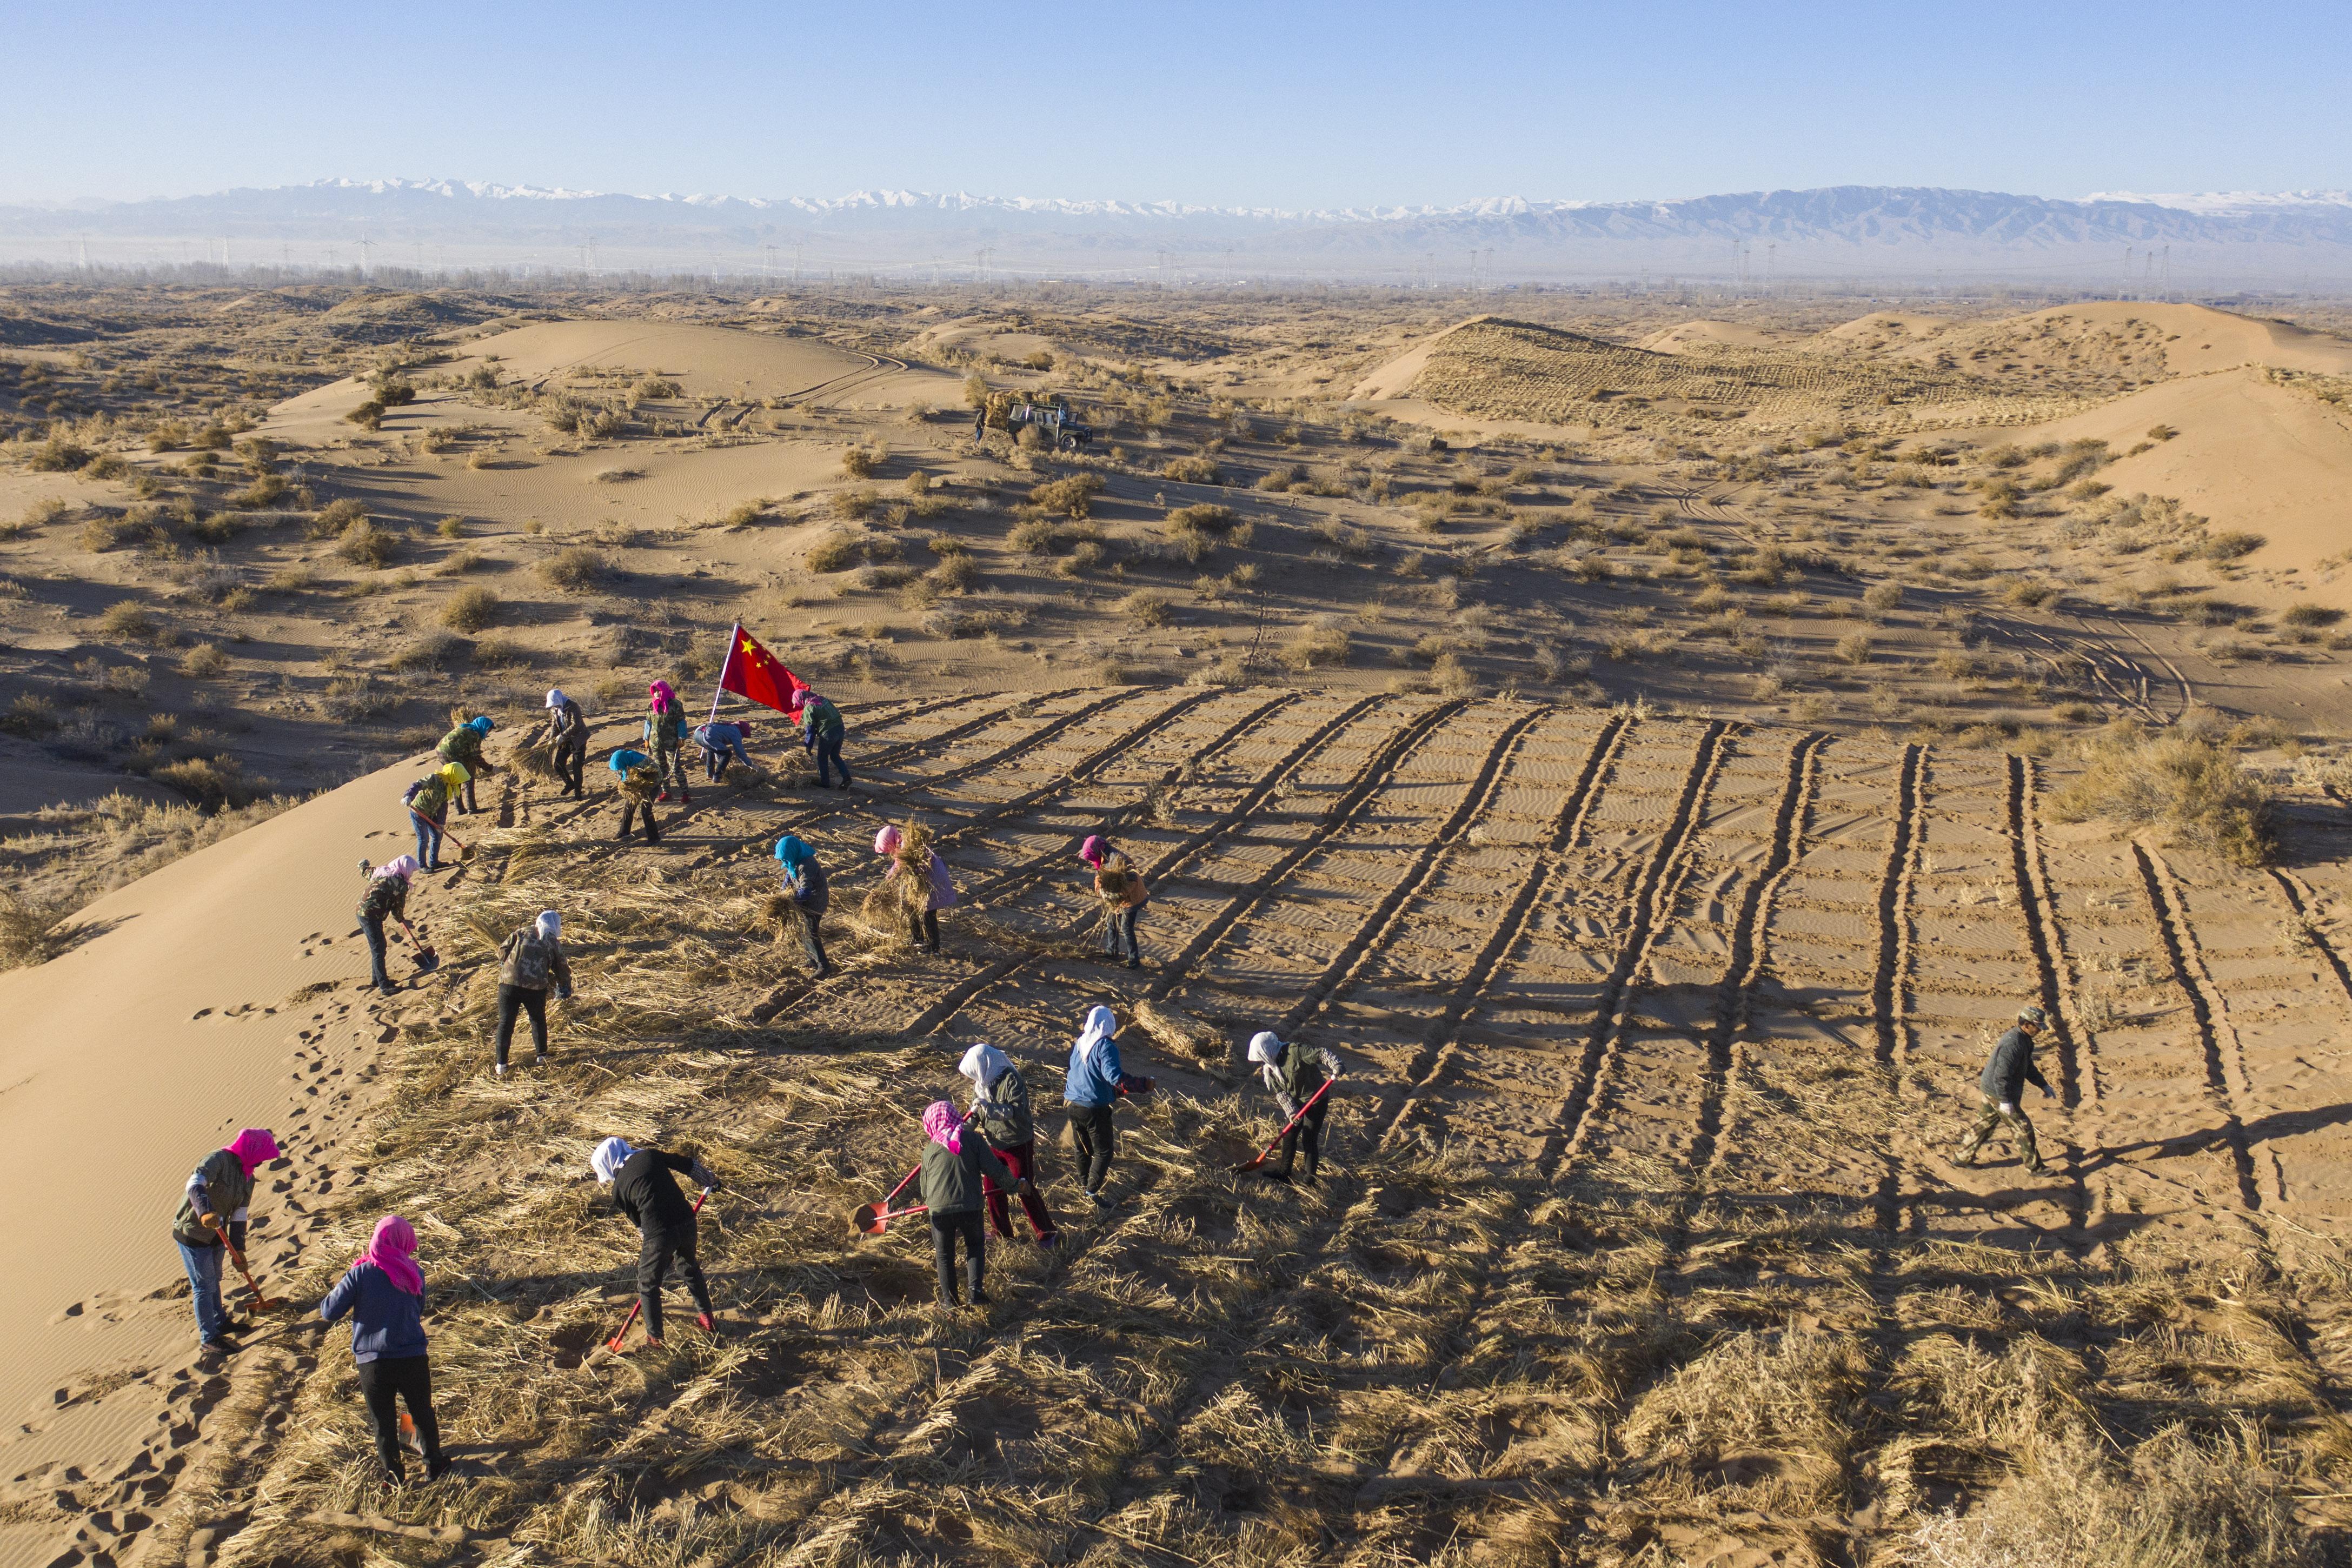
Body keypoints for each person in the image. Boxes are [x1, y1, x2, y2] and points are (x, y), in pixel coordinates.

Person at [318, 1215, 448, 1485]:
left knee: (383, 1422)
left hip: (373, 1362)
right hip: (412, 1356)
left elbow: (329, 1312)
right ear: (405, 1241)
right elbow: (418, 1309)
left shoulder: (360, 1274)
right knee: (421, 1411)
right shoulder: (415, 1272)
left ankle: (393, 1476)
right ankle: (433, 1464)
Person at [592, 1137, 720, 1350]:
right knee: (689, 1268)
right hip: (687, 1221)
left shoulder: (618, 1191)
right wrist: (709, 1180)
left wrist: (659, 1250)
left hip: (659, 1233)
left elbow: (641, 1225)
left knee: (648, 1284)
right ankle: (708, 1320)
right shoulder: (648, 1155)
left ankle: (655, 1341)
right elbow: (685, 1164)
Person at [171, 1128, 280, 1353]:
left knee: (216, 1279)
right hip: (194, 1232)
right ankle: (208, 1338)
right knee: (203, 1285)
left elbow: (240, 1214)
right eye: (262, 1156)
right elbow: (194, 1184)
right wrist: (204, 1212)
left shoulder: (248, 1176)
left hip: (217, 1233)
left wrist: (239, 1250)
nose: (262, 1162)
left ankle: (221, 1322)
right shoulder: (217, 1159)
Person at [917, 1099, 1033, 1309]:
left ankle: (950, 1303)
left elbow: (924, 1190)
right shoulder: (973, 1140)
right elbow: (996, 1171)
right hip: (970, 1206)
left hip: (939, 1211)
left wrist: (935, 1202)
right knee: (975, 1245)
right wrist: (1015, 1186)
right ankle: (976, 1293)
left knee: (944, 1256)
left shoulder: (929, 1151)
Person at [960, 1042, 1058, 1247]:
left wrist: (991, 1109)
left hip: (1017, 1143)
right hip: (994, 1144)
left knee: (1023, 1186)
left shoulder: (1012, 1080)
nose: (973, 1078)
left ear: (983, 1065)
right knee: (992, 1188)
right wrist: (958, 1132)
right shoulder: (981, 1084)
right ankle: (1002, 1232)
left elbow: (1016, 1110)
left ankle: (1047, 1232)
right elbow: (975, 1116)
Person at [1956, 1006, 2055, 1175]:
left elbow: (2028, 1066)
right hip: (1998, 1091)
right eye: (2037, 1026)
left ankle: (1962, 1158)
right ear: (2027, 1025)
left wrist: (2043, 1085)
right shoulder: (2013, 1043)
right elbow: (2001, 1075)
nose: (2039, 1030)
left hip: (1993, 1088)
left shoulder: (2025, 1040)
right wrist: (2005, 1101)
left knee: (1985, 1125)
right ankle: (2035, 1168)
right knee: (2023, 1128)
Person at [1247, 1031, 1342, 1185]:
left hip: (1316, 1100)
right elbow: (1282, 1093)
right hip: (1296, 1102)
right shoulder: (1270, 1069)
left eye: (1260, 1058)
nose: (1261, 1063)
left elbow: (1321, 1054)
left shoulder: (1296, 1051)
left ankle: (1310, 1178)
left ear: (1267, 1051)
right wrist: (1292, 1112)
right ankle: (1284, 1172)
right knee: (1289, 1136)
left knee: (1309, 1139)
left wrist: (1336, 1064)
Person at [492, 910, 573, 1078]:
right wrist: (564, 985)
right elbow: (561, 967)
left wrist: (507, 965)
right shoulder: (551, 940)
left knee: (506, 1023)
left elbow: (502, 950)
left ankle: (501, 1065)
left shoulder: (521, 932)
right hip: (535, 987)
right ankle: (542, 1057)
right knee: (537, 1020)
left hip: (508, 983)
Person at [1063, 1005, 1125, 1210]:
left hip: (1073, 1105)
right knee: (1104, 1151)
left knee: (1082, 1148)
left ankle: (1084, 1186)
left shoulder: (1081, 1043)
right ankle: (1092, 1191)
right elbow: (1113, 1076)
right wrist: (1139, 1084)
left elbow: (1081, 1071)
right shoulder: (1105, 1046)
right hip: (1094, 1109)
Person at [356, 855, 430, 996]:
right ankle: (384, 986)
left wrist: (364, 864)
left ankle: (376, 980)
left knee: (378, 947)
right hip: (371, 916)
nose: (411, 874)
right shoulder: (400, 883)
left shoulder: (381, 871)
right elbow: (398, 908)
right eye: (411, 870)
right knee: (378, 949)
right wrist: (400, 918)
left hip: (361, 912)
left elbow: (365, 871)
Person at [875, 824, 954, 952]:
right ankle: (917, 939)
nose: (890, 852)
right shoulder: (902, 847)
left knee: (928, 913)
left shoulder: (909, 845)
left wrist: (915, 871)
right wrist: (885, 883)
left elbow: (924, 861)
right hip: (925, 881)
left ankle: (934, 947)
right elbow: (897, 866)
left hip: (933, 881)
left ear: (890, 842)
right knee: (912, 908)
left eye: (888, 849)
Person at [1079, 834, 1150, 970]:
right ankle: (1112, 952)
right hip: (1117, 899)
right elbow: (1099, 876)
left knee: (1126, 928)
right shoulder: (1102, 858)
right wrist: (1100, 888)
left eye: (1091, 857)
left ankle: (1134, 960)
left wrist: (1116, 896)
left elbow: (1132, 880)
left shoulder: (1118, 859)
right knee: (1111, 921)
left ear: (1097, 850)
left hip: (1131, 899)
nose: (1091, 861)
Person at [775, 834, 830, 978]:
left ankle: (824, 966)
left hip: (815, 902)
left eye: (785, 858)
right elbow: (789, 877)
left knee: (811, 933)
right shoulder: (794, 861)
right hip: (806, 902)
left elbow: (805, 890)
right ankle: (811, 959)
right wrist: (782, 894)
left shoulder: (806, 865)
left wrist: (792, 904)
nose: (783, 861)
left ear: (792, 852)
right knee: (804, 931)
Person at [402, 761, 467, 872]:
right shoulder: (435, 778)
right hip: (419, 812)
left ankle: (434, 862)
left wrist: (441, 823)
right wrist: (408, 796)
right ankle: (422, 866)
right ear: (453, 774)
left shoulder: (449, 786)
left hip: (431, 814)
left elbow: (443, 806)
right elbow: (417, 784)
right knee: (424, 839)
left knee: (438, 835)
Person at [644, 680, 692, 805]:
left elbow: (681, 721)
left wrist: (682, 737)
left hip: (672, 742)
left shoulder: (675, 705)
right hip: (656, 742)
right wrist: (646, 738)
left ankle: (685, 793)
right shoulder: (651, 705)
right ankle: (666, 792)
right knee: (661, 768)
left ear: (664, 690)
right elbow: (648, 723)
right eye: (655, 691)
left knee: (675, 768)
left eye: (659, 690)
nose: (657, 693)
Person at [436, 716, 495, 814]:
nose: (488, 733)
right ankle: (472, 809)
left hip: (440, 752)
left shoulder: (466, 728)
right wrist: (489, 768)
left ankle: (459, 809)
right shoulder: (474, 734)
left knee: (456, 780)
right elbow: (476, 757)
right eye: (488, 730)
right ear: (483, 726)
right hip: (452, 754)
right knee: (468, 778)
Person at [798, 690, 851, 790]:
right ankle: (846, 777)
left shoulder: (809, 708)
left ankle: (825, 782)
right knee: (835, 755)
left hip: (829, 733)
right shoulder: (823, 699)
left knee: (822, 758)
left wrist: (808, 747)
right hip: (840, 729)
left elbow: (810, 730)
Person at [609, 747, 663, 843]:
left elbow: (639, 782)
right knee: (629, 805)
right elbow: (625, 775)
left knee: (646, 810)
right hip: (640, 782)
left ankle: (654, 838)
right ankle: (624, 832)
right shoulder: (627, 759)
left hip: (653, 782)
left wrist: (631, 788)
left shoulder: (639, 764)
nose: (619, 771)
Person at [544, 689, 588, 800]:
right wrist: (551, 739)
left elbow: (576, 725)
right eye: (553, 705)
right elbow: (554, 725)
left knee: (577, 768)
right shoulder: (554, 710)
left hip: (578, 740)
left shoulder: (573, 707)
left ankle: (578, 793)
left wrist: (563, 735)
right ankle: (570, 784)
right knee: (558, 764)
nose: (554, 707)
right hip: (566, 741)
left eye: (555, 704)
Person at [693, 717, 754, 783]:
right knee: (727, 754)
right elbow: (740, 752)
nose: (742, 738)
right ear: (742, 731)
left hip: (698, 734)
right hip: (708, 736)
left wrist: (720, 761)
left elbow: (717, 749)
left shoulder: (728, 727)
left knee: (711, 749)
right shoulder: (736, 732)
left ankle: (710, 773)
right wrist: (750, 764)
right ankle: (718, 777)